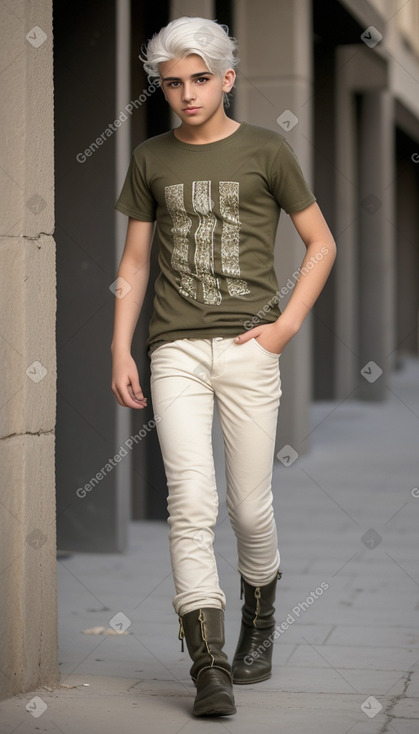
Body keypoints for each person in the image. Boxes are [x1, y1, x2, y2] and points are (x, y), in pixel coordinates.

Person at [111, 15, 337, 718]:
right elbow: (136, 261)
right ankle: (206, 664)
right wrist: (121, 347)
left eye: (199, 79)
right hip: (174, 349)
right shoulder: (150, 157)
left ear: (226, 79)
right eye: (172, 83)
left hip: (248, 350)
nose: (185, 94)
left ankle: (260, 621)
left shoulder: (267, 151)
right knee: (191, 501)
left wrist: (282, 329)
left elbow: (320, 244)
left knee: (247, 507)